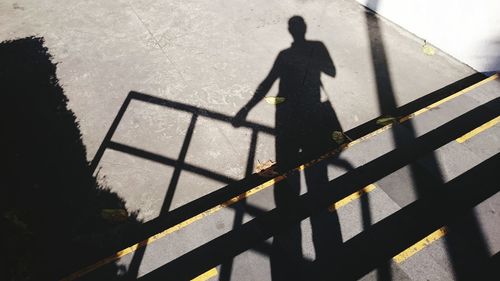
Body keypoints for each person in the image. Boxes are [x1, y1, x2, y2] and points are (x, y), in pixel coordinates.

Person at [232, 16, 343, 280]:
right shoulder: (316, 47)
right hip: (311, 112)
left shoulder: (285, 54)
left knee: (289, 171)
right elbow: (332, 72)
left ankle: (288, 224)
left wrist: (245, 110)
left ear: (290, 31)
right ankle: (331, 255)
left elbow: (268, 82)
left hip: (288, 118)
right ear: (302, 30)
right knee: (318, 175)